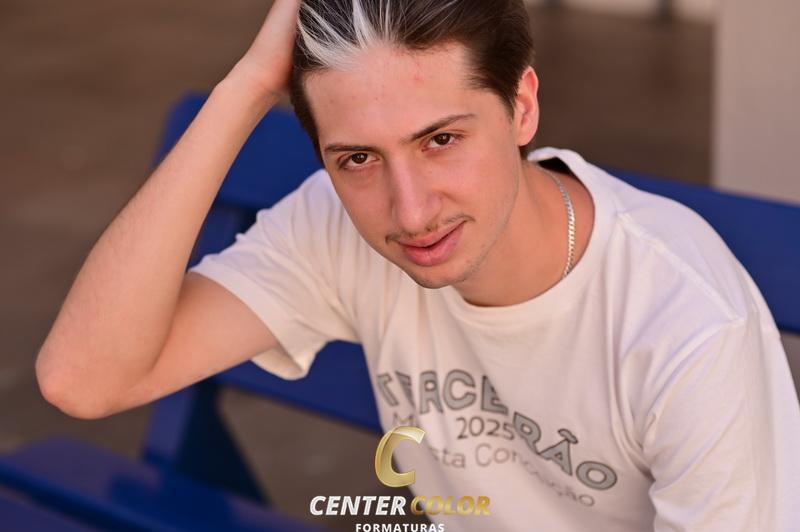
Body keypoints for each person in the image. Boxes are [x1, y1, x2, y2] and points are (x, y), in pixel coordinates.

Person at [35, 0, 800, 530]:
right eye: (357, 158)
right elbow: (83, 379)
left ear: (522, 107)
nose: (409, 212)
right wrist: (246, 88)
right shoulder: (332, 224)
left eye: (441, 140)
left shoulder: (685, 327)